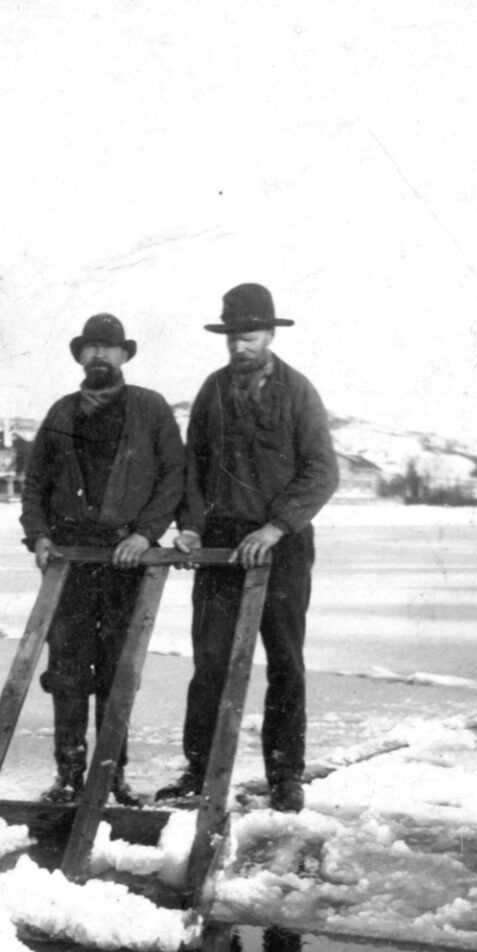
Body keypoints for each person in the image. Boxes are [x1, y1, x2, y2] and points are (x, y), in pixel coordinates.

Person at [156, 283, 338, 812]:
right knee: (211, 658)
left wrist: (276, 528)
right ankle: (199, 769)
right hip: (219, 546)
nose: (241, 347)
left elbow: (322, 471)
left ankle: (285, 776)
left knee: (284, 660)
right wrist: (189, 526)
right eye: (234, 336)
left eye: (251, 336)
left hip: (281, 545)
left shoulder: (298, 391)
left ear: (269, 334)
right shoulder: (213, 391)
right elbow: (193, 469)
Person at [21, 313, 185, 805]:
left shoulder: (151, 410)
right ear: (80, 356)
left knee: (117, 673)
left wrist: (145, 534)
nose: (100, 356)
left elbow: (172, 477)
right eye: (91, 348)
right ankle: (69, 776)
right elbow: (35, 485)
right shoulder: (62, 413)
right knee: (69, 673)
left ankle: (111, 777)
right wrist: (39, 537)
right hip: (70, 564)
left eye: (109, 348)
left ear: (124, 355)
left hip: (126, 564)